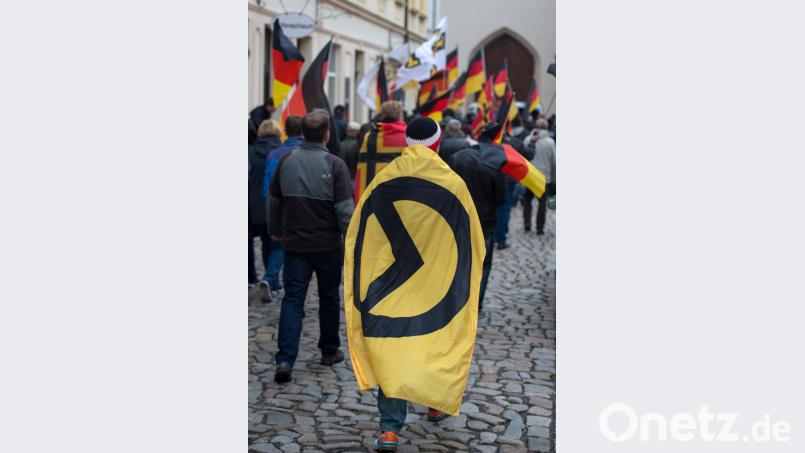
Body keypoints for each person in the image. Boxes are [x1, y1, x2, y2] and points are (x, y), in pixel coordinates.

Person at [343, 117, 485, 452]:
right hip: (436, 284)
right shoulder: (452, 183)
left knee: (393, 348)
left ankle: (389, 430)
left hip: (391, 287)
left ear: (408, 144)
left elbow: (362, 233)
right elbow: (471, 239)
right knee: (434, 343)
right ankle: (433, 401)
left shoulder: (384, 179)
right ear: (437, 144)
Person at [268, 109, 354, 383]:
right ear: (327, 134)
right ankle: (329, 350)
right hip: (327, 245)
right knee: (329, 297)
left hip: (295, 244)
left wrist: (275, 231)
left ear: (303, 133)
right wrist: (352, 238)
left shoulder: (286, 160)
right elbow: (345, 210)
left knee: (293, 299)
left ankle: (285, 358)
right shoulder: (335, 165)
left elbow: (274, 201)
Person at [448, 125, 507, 314]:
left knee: (458, 259)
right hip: (484, 221)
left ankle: (456, 300)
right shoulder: (495, 164)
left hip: (458, 218)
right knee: (483, 263)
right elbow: (502, 198)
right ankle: (476, 303)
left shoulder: (457, 157)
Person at [258, 115, 305, 296]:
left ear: (285, 131)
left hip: (277, 203)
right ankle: (273, 279)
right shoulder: (307, 152)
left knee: (276, 244)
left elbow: (267, 187)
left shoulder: (274, 154)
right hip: (302, 205)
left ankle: (272, 280)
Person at [249, 119, 282, 292]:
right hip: (277, 204)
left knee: (265, 243)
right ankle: (272, 279)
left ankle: (271, 281)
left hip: (257, 206)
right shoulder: (282, 151)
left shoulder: (251, 151)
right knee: (278, 244)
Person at [353, 101, 408, 202]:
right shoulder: (408, 136)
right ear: (400, 115)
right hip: (401, 194)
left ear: (382, 115)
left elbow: (362, 171)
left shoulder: (370, 136)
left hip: (374, 194)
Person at [494, 134, 533, 250]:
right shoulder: (515, 142)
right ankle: (500, 238)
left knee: (497, 207)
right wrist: (531, 143)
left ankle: (496, 236)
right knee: (504, 208)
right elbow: (529, 155)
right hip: (509, 178)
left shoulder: (494, 141)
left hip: (495, 177)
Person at [523, 118, 556, 234]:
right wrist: (554, 177)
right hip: (544, 177)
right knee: (542, 202)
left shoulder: (527, 140)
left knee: (527, 200)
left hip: (529, 175)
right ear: (546, 127)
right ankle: (540, 227)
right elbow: (554, 162)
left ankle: (527, 223)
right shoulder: (550, 142)